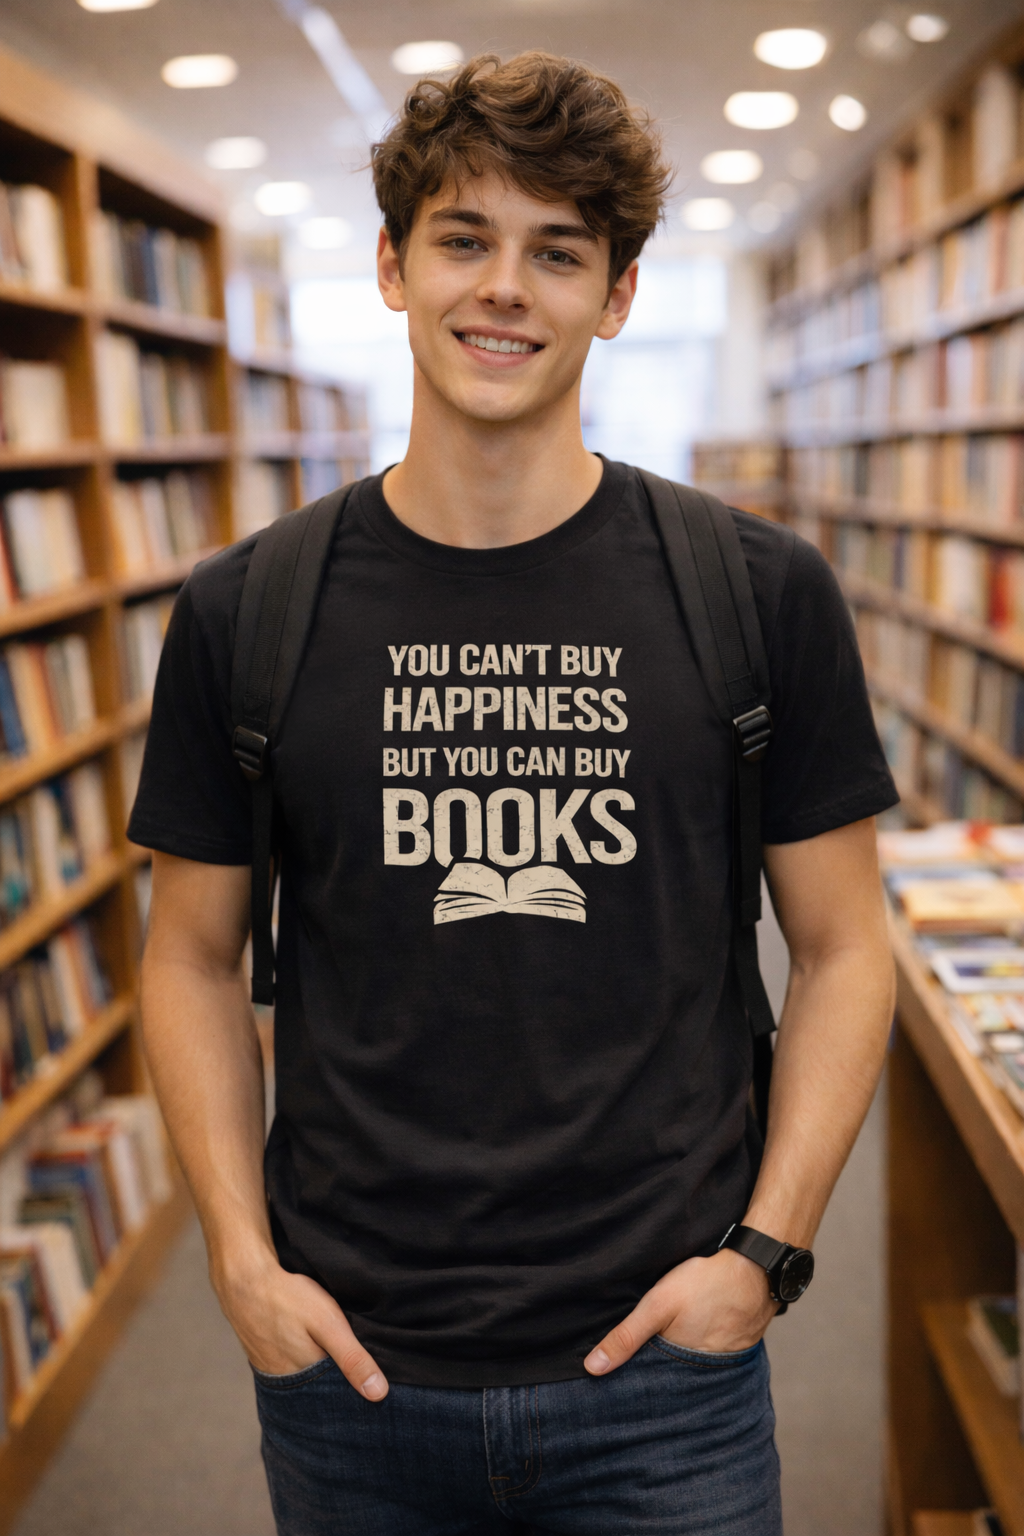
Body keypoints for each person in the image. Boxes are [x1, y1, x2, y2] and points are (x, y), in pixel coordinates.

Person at [130, 51, 898, 1535]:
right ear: (392, 266)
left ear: (616, 296)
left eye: (560, 252)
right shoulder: (250, 610)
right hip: (351, 1374)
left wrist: (766, 1255)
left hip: (668, 1376)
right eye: (464, 240)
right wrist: (239, 1259)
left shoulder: (754, 594)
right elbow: (189, 958)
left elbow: (848, 946)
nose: (505, 290)